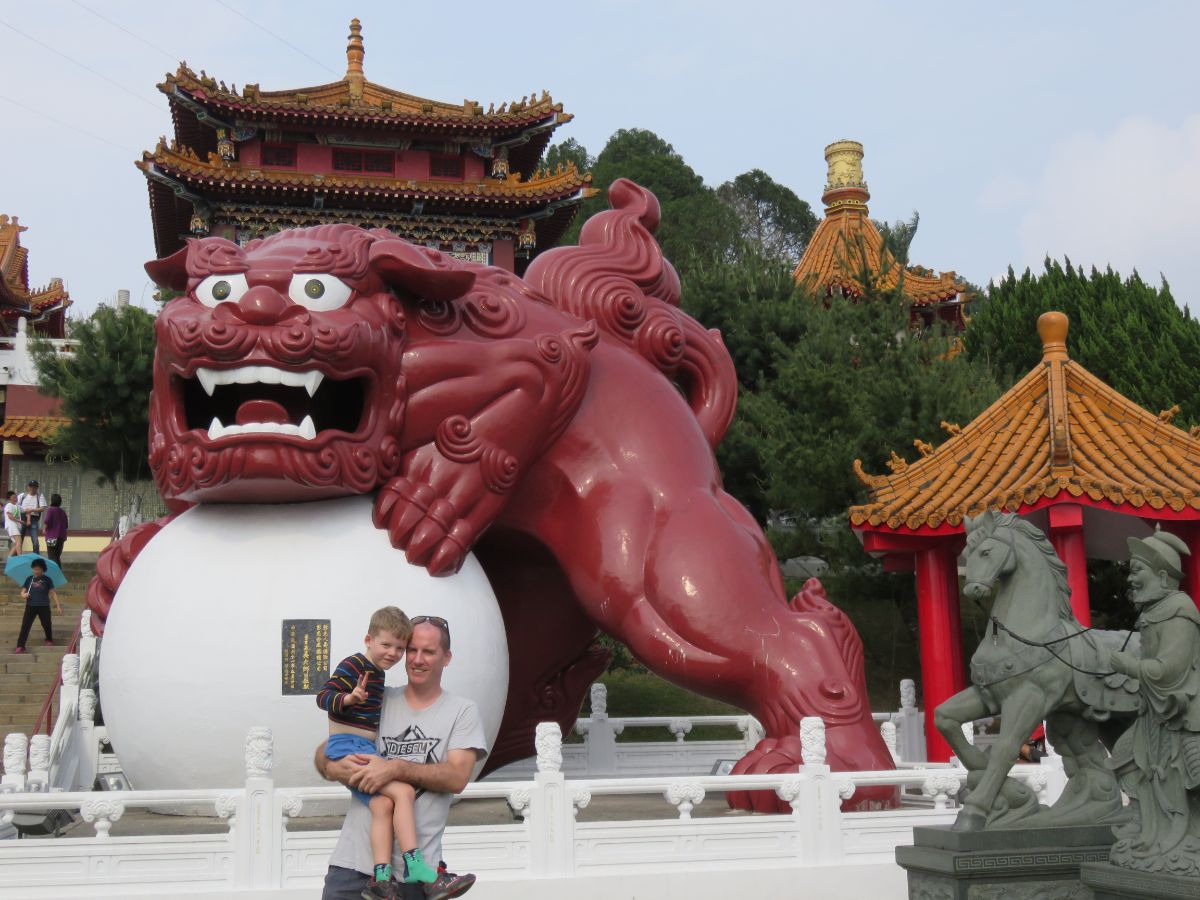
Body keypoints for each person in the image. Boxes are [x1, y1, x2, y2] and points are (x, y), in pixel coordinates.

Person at [316, 616, 483, 900]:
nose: (417, 659)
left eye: (428, 651)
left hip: (414, 881)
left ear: (447, 657)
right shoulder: (377, 698)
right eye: (411, 650)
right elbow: (326, 750)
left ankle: (414, 864)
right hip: (351, 867)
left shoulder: (462, 711)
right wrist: (334, 767)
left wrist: (392, 768)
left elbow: (457, 777)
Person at [317, 607, 438, 896]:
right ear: (368, 639)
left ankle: (382, 875)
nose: (393, 653)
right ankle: (414, 863)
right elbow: (323, 697)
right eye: (386, 645)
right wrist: (349, 698)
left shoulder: (378, 675)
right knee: (404, 792)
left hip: (363, 747)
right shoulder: (354, 665)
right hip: (347, 747)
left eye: (399, 648)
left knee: (382, 806)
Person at [1107, 526, 1200, 873]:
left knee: (1192, 773)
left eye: (1137, 571)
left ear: (1162, 575)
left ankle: (1187, 836)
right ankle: (1148, 828)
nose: (1131, 579)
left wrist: (1129, 666)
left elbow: (1170, 670)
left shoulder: (1180, 609)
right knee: (1126, 760)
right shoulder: (1153, 612)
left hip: (1183, 713)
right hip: (1154, 716)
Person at [15, 557, 61, 654]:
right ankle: (20, 646)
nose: (36, 571)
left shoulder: (47, 580)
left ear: (42, 569)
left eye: (38, 569)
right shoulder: (29, 579)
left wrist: (58, 605)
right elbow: (22, 591)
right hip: (31, 605)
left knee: (46, 624)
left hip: (44, 606)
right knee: (25, 626)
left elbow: (53, 593)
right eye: (34, 569)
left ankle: (49, 639)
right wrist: (24, 595)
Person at [17, 480, 46, 555]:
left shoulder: (39, 496)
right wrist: (24, 510)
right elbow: (16, 505)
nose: (32, 488)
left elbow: (42, 508)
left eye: (34, 487)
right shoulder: (22, 495)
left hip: (34, 518)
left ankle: (36, 557)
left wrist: (32, 510)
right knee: (19, 539)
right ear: (28, 487)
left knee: (35, 540)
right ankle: (16, 555)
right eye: (31, 486)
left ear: (37, 488)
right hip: (22, 518)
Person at [41, 494, 67, 567]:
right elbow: (66, 525)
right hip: (61, 537)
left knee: (52, 556)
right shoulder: (63, 512)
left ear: (52, 501)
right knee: (57, 556)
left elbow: (47, 521)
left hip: (51, 537)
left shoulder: (51, 510)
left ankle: (55, 574)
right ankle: (59, 572)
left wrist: (44, 529)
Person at [3, 491, 22, 557]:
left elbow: (25, 510)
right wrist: (19, 521)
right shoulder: (9, 505)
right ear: (9, 498)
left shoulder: (17, 506)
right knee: (19, 540)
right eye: (13, 497)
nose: (15, 499)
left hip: (15, 526)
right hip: (11, 525)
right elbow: (10, 516)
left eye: (16, 497)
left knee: (16, 543)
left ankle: (9, 559)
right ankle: (20, 557)